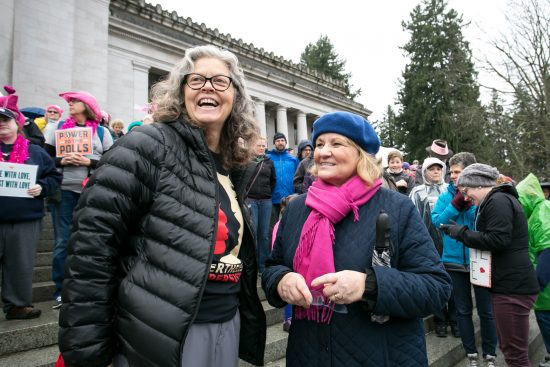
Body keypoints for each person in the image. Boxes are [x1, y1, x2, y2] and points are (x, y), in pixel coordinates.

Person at [58, 45, 266, 367]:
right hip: (158, 336)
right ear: (181, 92)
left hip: (226, 325)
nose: (208, 86)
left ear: (235, 97)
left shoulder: (234, 166)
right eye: (196, 80)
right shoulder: (145, 146)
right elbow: (91, 253)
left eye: (220, 81)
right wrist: (87, 353)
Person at [263, 111, 452, 366]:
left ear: (361, 154)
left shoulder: (397, 208)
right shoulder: (298, 209)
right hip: (309, 354)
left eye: (336, 143)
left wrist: (369, 285)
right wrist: (280, 280)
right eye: (319, 144)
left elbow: (436, 287)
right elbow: (272, 266)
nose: (322, 152)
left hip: (382, 355)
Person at [440, 163, 539, 367]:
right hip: (509, 284)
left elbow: (497, 240)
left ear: (478, 185)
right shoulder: (498, 200)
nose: (465, 198)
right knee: (511, 351)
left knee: (515, 354)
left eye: (466, 191)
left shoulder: (498, 201)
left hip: (512, 288)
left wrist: (461, 233)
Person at [43, 90, 114, 309]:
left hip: (91, 191)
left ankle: (87, 288)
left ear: (87, 106)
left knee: (91, 239)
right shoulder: (57, 128)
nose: (70, 105)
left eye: (75, 101)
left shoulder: (102, 133)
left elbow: (112, 162)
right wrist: (62, 161)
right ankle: (60, 290)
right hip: (63, 191)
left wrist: (87, 162)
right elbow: (45, 159)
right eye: (70, 102)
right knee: (63, 241)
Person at [0, 87, 62, 320]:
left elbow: (54, 177)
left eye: (6, 120)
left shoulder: (35, 152)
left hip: (26, 217)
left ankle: (17, 304)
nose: (2, 125)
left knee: (21, 263)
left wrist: (42, 188)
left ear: (17, 123)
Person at [432, 153, 497, 366]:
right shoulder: (445, 196)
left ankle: (490, 353)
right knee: (463, 310)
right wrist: (456, 204)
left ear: (470, 172)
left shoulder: (484, 194)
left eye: (457, 172)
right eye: (450, 172)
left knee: (486, 310)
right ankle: (471, 353)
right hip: (453, 260)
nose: (452, 176)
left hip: (480, 258)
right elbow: (438, 223)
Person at [516, 173, 550, 367]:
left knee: (546, 320)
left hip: (546, 289)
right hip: (544, 290)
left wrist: (536, 286)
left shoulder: (543, 212)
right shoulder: (537, 212)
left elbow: (548, 251)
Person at [245, 136, 276, 273]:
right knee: (253, 233)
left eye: (264, 146)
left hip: (265, 201)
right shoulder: (247, 161)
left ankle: (263, 266)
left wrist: (266, 192)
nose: (262, 148)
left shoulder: (269, 162)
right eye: (259, 145)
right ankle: (253, 264)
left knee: (264, 235)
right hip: (251, 200)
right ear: (253, 146)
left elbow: (272, 180)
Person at [267, 132, 298, 226]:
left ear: (285, 142)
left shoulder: (293, 159)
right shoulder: (268, 158)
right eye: (277, 141)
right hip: (273, 197)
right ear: (274, 143)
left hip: (290, 197)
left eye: (282, 140)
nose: (280, 142)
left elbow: (298, 178)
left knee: (290, 225)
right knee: (272, 226)